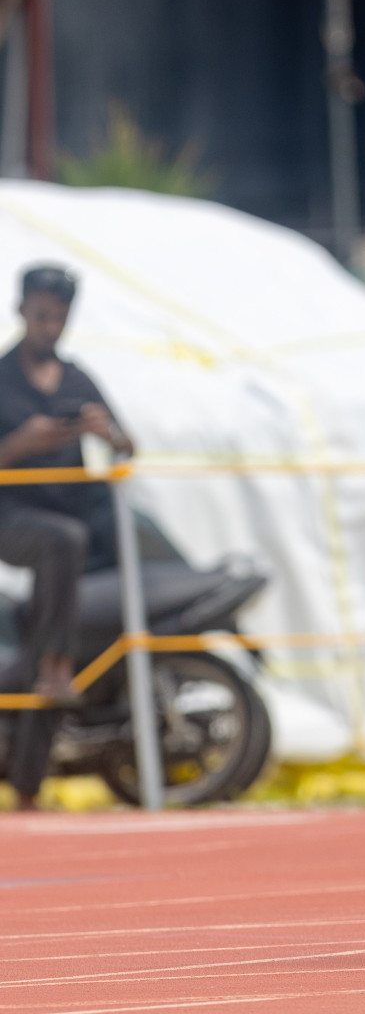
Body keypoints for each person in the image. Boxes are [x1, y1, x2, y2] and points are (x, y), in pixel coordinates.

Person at [0, 264, 134, 809]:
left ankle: (27, 786)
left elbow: (130, 445)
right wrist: (20, 445)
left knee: (54, 638)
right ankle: (55, 665)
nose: (50, 327)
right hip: (15, 523)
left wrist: (108, 432)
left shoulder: (78, 378)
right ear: (22, 310)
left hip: (71, 539)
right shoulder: (2, 376)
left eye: (59, 318)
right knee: (64, 542)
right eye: (41, 315)